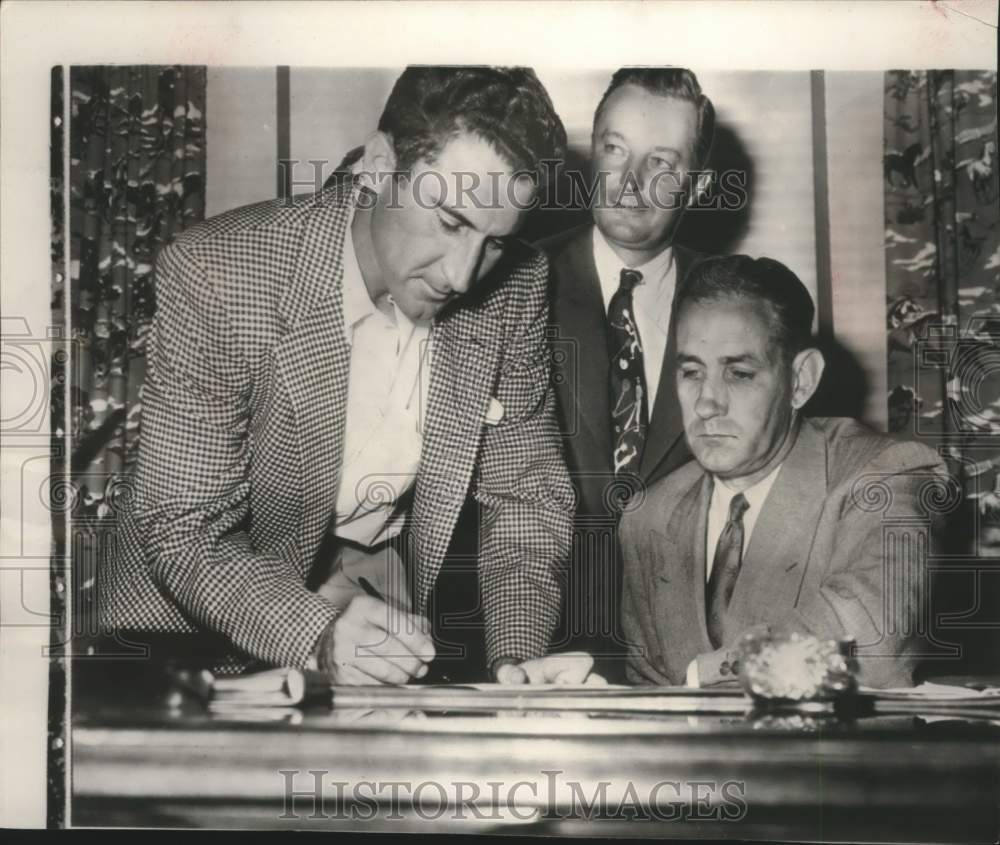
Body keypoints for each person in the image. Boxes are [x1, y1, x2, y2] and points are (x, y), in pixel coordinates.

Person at [100, 66, 600, 686]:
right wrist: (315, 632)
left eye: (496, 242)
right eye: (450, 222)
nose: (464, 276)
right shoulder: (219, 274)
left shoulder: (514, 288)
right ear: (379, 163)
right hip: (177, 636)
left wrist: (517, 660)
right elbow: (182, 522)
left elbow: (524, 496)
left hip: (372, 617)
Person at [620, 255, 948, 688]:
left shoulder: (886, 476)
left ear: (801, 381)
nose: (706, 404)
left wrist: (703, 675)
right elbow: (650, 704)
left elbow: (872, 646)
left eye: (738, 374)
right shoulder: (648, 517)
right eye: (691, 372)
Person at [540, 68, 715, 676]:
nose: (632, 181)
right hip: (521, 648)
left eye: (662, 163)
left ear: (697, 186)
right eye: (615, 149)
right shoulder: (506, 281)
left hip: (683, 655)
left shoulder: (736, 302)